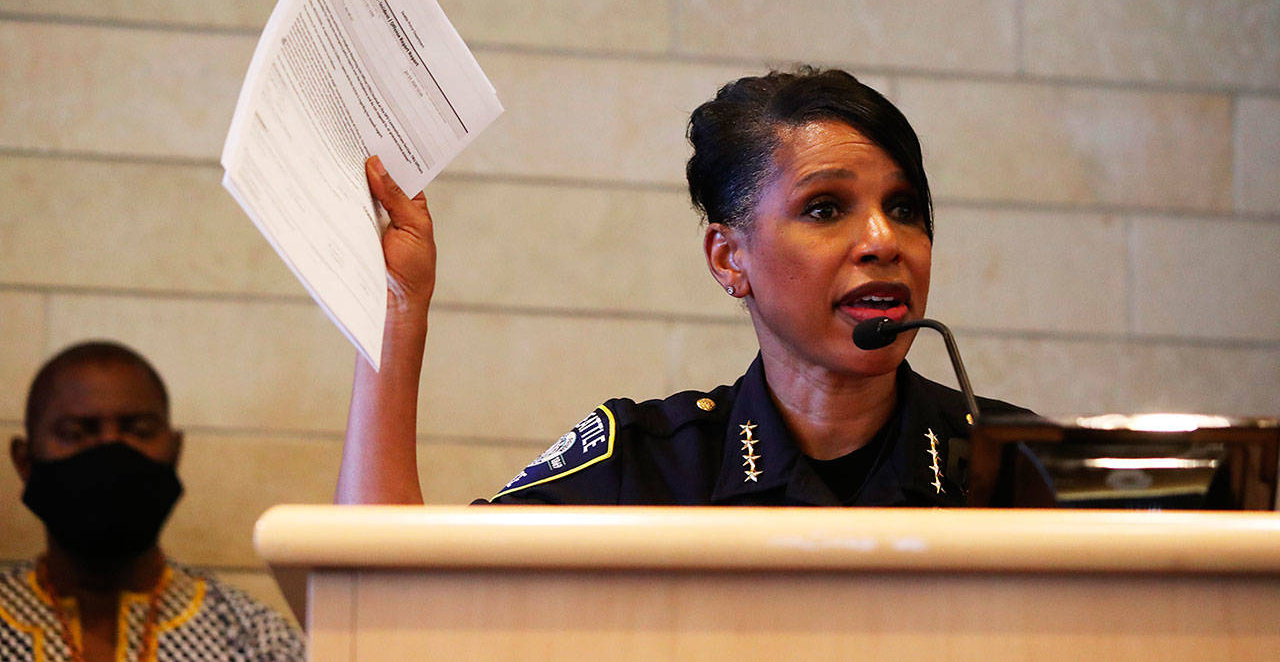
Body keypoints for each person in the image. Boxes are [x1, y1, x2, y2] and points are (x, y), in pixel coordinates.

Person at [335, 67, 1030, 508]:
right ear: (729, 259)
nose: (883, 240)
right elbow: (392, 614)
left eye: (904, 208)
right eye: (825, 209)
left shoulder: (1021, 467)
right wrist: (398, 309)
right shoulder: (640, 468)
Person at [3, 341, 304, 661]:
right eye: (76, 433)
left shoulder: (256, 643)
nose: (111, 449)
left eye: (140, 430)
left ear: (175, 451)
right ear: (25, 461)